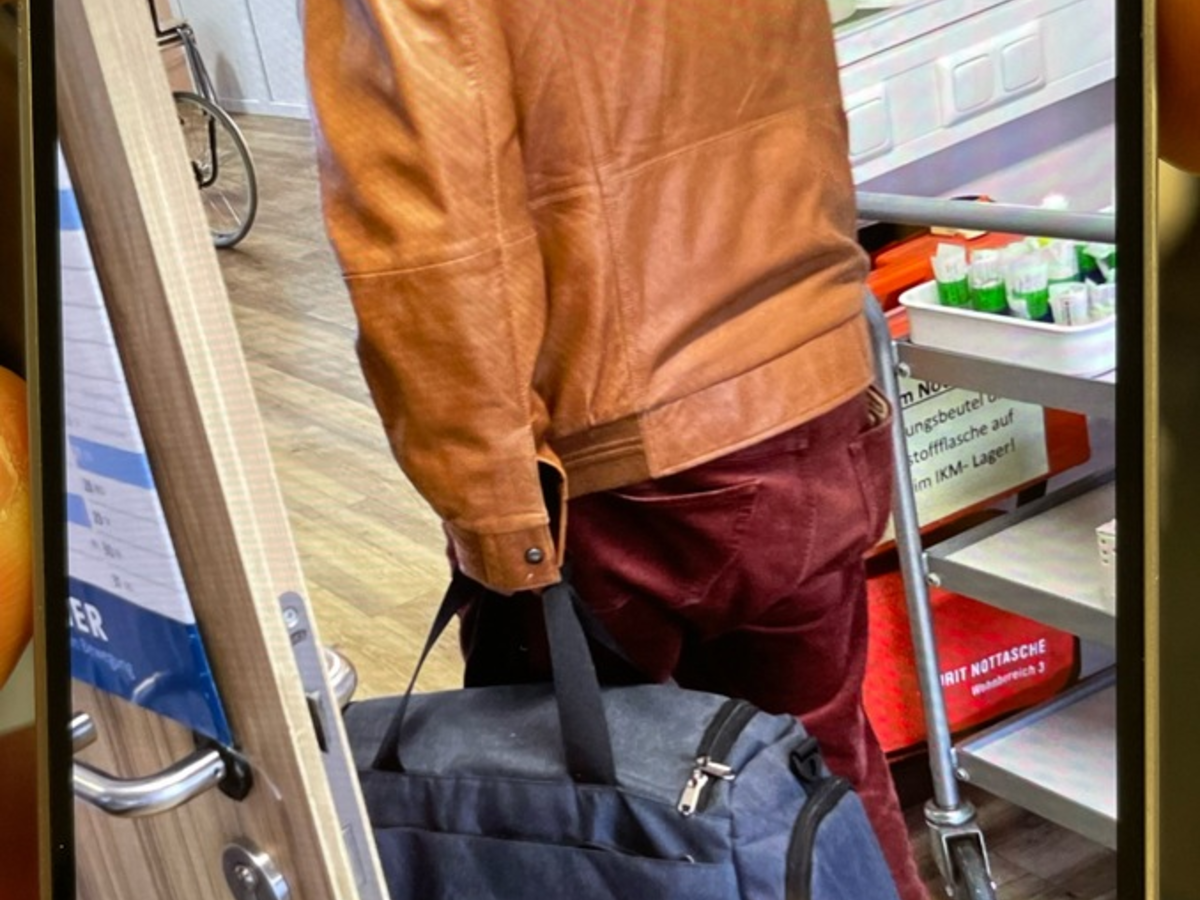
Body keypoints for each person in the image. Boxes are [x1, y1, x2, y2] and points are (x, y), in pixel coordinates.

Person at [303, 2, 926, 898]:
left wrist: (498, 523)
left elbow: (425, 231)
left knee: (566, 823)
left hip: (620, 462)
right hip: (811, 381)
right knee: (818, 780)